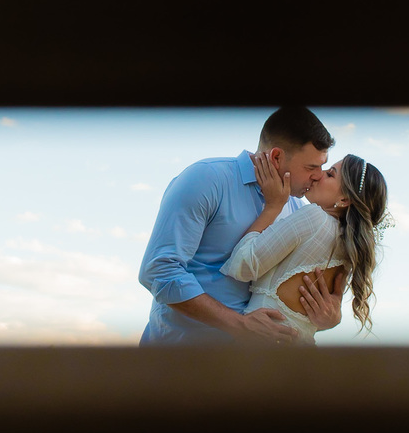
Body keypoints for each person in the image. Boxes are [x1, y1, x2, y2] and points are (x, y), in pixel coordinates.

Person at [138, 106, 345, 345]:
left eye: (322, 166)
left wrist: (329, 317)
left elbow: (288, 298)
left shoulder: (299, 212)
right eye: (311, 167)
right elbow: (158, 270)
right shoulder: (207, 179)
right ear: (276, 157)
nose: (318, 175)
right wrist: (239, 324)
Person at [221, 151, 390, 345]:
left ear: (344, 200)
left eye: (330, 174)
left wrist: (272, 207)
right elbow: (316, 318)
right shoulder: (349, 250)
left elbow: (243, 265)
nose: (319, 175)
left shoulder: (314, 218)